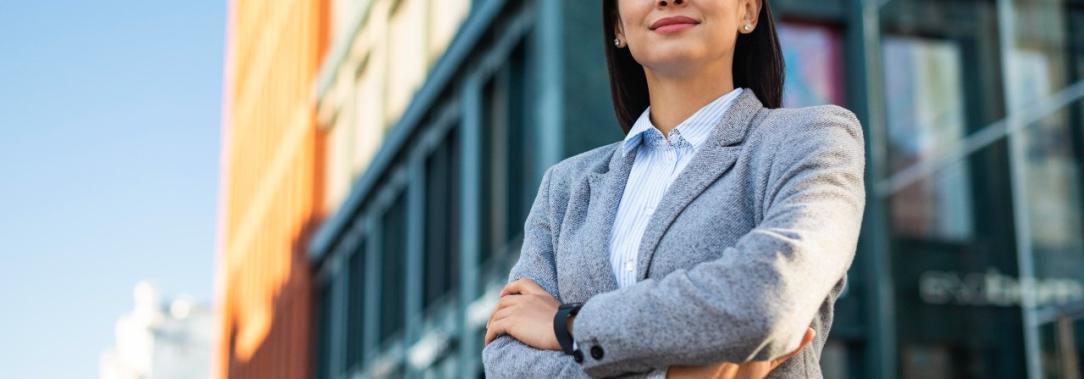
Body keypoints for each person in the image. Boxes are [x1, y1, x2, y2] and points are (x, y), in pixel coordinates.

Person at [482, 0, 866, 377]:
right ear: (618, 25)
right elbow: (507, 358)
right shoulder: (565, 188)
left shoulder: (813, 139)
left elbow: (769, 296)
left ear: (748, 11)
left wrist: (569, 325)